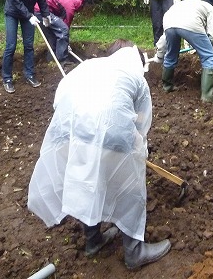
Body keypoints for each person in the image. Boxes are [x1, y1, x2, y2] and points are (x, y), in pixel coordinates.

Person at [28, 40, 171, 269]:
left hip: (69, 131)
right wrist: (138, 153)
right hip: (112, 134)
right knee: (130, 186)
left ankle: (93, 241)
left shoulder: (86, 67)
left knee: (86, 180)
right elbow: (142, 124)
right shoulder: (135, 78)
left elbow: (58, 101)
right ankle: (134, 251)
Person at [1, 0, 53, 93]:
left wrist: (46, 15)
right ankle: (7, 78)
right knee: (11, 45)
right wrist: (29, 16)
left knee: (29, 45)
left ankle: (29, 74)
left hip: (28, 12)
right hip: (13, 11)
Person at [155, 0, 213, 103]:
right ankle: (207, 97)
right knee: (209, 57)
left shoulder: (184, 6)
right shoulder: (211, 10)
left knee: (171, 54)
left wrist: (160, 55)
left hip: (169, 20)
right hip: (191, 22)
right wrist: (209, 47)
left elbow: (164, 40)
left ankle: (167, 86)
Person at [34, 0, 93, 64]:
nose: (84, 11)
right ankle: (63, 60)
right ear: (83, 4)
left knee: (53, 36)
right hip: (41, 11)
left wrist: (65, 42)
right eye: (85, 8)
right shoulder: (70, 7)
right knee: (63, 30)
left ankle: (52, 61)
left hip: (39, 9)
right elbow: (65, 27)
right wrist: (66, 43)